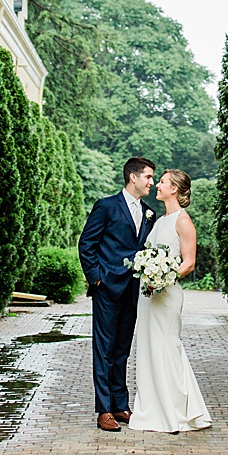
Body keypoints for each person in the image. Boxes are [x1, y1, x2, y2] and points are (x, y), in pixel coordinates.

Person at [128, 169, 212, 433]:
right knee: (149, 349)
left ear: (174, 188)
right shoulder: (159, 221)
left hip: (167, 295)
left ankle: (176, 411)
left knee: (167, 348)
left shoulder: (182, 221)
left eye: (162, 182)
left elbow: (189, 262)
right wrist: (146, 272)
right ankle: (152, 409)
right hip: (148, 296)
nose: (157, 185)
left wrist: (163, 277)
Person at [78, 156, 155, 432]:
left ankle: (121, 405)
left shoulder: (149, 213)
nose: (151, 182)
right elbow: (87, 244)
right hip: (107, 289)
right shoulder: (106, 206)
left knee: (122, 349)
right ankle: (104, 410)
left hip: (133, 290)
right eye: (148, 177)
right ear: (133, 177)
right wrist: (97, 279)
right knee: (104, 349)